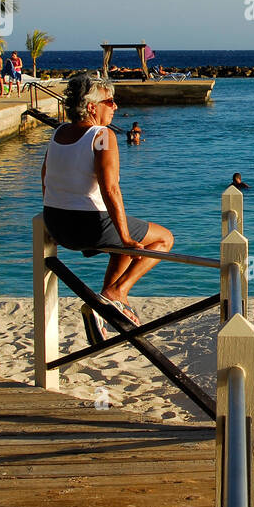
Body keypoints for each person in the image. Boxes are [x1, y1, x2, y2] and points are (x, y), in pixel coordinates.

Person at [40, 72, 174, 326]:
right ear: (92, 107)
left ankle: (104, 307)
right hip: (90, 226)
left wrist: (53, 213)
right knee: (164, 238)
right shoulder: (102, 135)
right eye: (110, 101)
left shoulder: (58, 133)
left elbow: (45, 177)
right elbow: (110, 189)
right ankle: (118, 291)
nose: (116, 106)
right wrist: (125, 239)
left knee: (125, 239)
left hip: (57, 226)